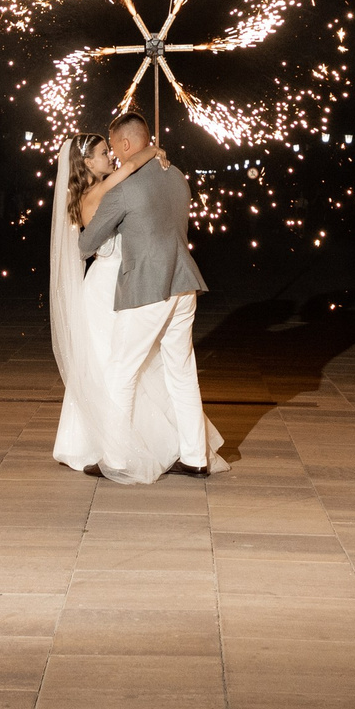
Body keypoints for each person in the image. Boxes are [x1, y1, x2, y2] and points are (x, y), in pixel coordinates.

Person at [75, 110, 223, 477]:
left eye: (113, 147)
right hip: (184, 283)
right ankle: (195, 458)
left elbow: (87, 243)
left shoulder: (123, 189)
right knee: (182, 373)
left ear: (125, 144)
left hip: (148, 289)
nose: (113, 154)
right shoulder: (176, 175)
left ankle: (116, 460)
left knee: (120, 372)